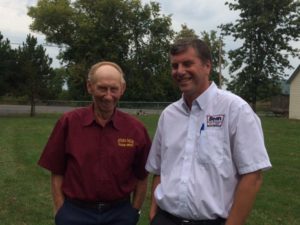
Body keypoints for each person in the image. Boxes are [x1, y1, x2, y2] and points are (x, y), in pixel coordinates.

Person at [146, 38, 272, 225]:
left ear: (207, 66)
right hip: (166, 219)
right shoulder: (169, 115)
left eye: (187, 63)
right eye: (175, 65)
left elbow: (253, 176)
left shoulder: (235, 109)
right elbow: (159, 168)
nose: (180, 71)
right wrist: (154, 212)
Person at [38, 61, 151, 225]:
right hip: (75, 213)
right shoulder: (69, 123)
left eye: (114, 89)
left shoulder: (136, 129)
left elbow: (142, 176)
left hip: (119, 214)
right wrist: (60, 210)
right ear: (89, 87)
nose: (108, 95)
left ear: (122, 89)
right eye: (102, 88)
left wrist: (134, 211)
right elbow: (57, 171)